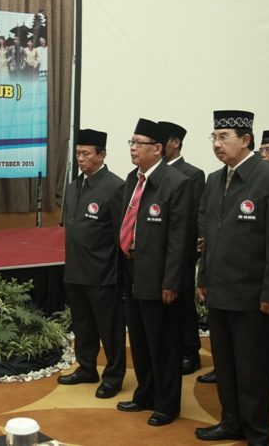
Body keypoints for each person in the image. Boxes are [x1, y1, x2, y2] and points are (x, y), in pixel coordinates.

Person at [194, 110, 269, 444]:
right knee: (224, 365)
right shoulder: (213, 179)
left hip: (254, 296)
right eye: (214, 137)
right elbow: (210, 235)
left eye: (224, 137)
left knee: (253, 369)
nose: (217, 144)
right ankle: (231, 422)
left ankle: (257, 432)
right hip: (220, 291)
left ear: (246, 140)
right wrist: (203, 277)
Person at [115, 118, 191, 427]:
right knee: (141, 340)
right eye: (130, 142)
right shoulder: (134, 178)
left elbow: (180, 239)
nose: (132, 148)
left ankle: (167, 404)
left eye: (139, 143)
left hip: (160, 278)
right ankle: (145, 393)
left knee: (163, 344)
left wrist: (171, 282)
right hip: (133, 271)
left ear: (158, 149)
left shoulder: (177, 183)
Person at [58, 129, 126, 399]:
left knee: (109, 328)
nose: (81, 158)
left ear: (102, 154)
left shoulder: (115, 187)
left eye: (86, 153)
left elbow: (120, 235)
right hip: (75, 270)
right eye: (78, 154)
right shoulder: (74, 185)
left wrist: (116, 273)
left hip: (102, 273)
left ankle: (114, 375)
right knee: (82, 324)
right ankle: (86, 367)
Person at [157, 121, 206, 376]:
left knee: (184, 302)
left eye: (161, 139)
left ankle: (190, 352)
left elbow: (195, 213)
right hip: (157, 251)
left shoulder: (192, 173)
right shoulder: (154, 172)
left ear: (174, 143)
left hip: (183, 250)